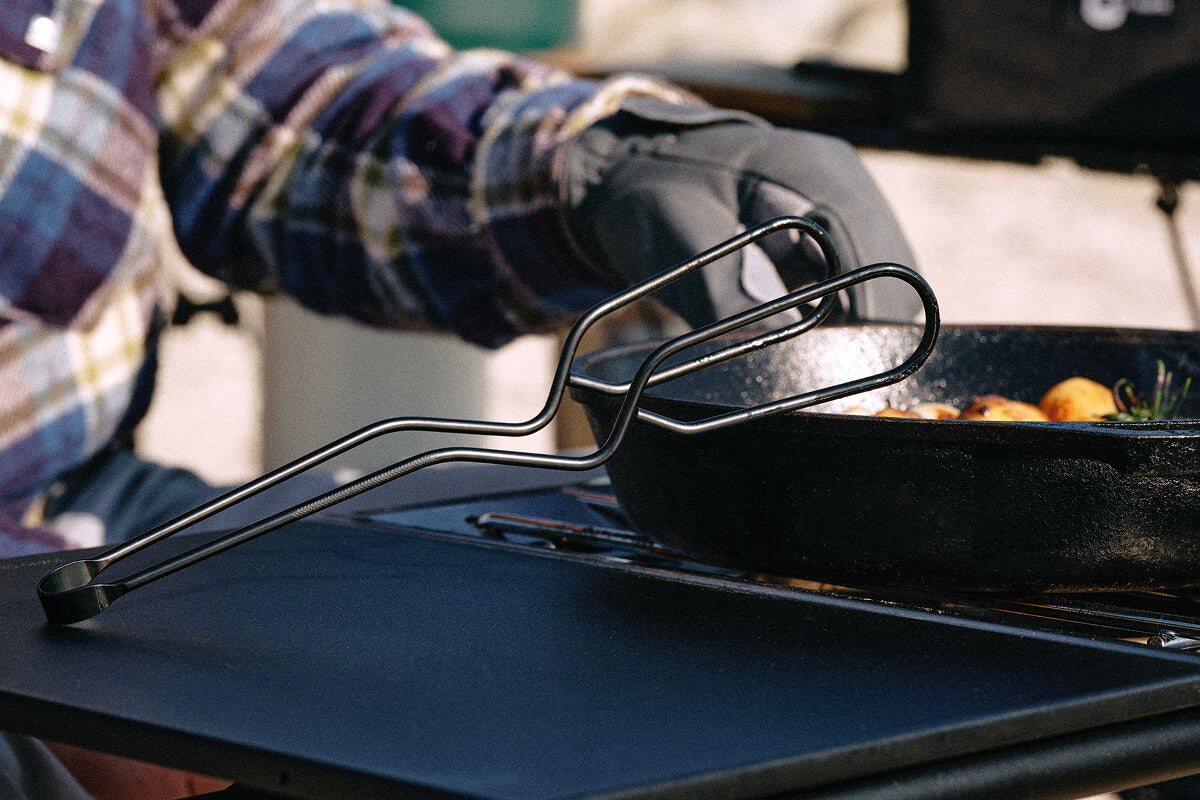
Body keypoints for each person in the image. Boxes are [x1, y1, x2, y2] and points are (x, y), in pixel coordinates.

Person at [0, 0, 917, 796]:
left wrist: (594, 167)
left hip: (93, 513)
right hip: (31, 598)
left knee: (532, 639)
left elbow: (291, 99)